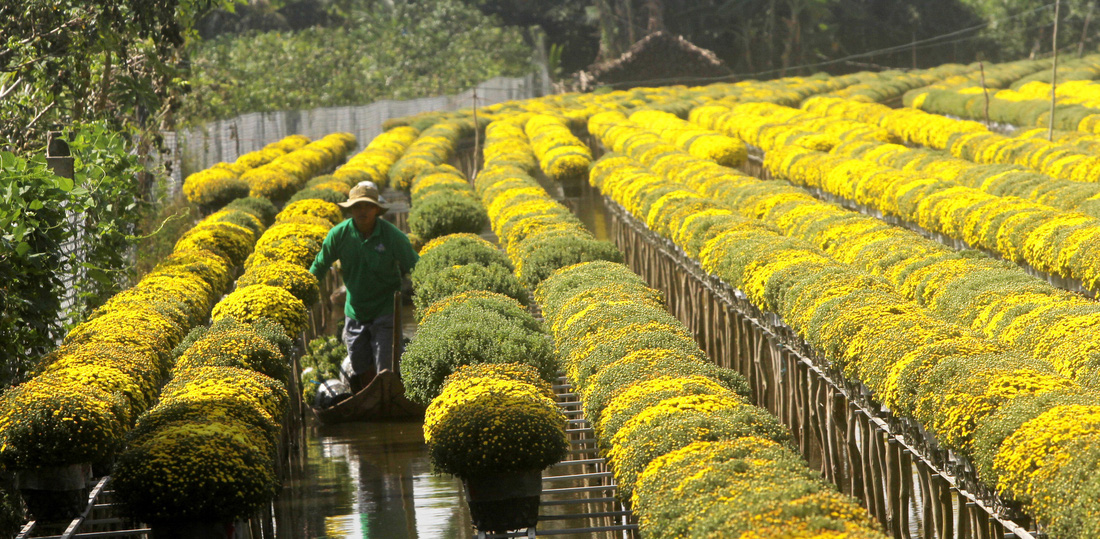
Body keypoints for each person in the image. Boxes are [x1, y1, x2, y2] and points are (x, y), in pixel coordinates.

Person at [310, 181, 418, 392]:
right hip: (356, 310)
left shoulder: (391, 235)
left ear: (376, 209)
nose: (362, 211)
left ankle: (386, 396)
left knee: (386, 364)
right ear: (350, 209)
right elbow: (320, 264)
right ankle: (369, 394)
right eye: (358, 206)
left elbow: (415, 265)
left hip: (386, 309)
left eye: (367, 206)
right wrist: (304, 289)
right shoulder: (339, 235)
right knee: (359, 362)